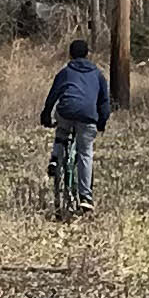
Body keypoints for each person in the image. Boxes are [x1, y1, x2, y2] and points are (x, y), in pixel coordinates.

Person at [39, 39, 110, 219]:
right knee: (85, 153)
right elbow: (104, 102)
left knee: (62, 131)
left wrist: (46, 114)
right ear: (87, 54)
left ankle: (55, 159)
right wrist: (101, 122)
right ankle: (85, 196)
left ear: (70, 54)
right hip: (88, 117)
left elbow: (53, 95)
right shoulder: (98, 75)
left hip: (66, 112)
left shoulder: (65, 72)